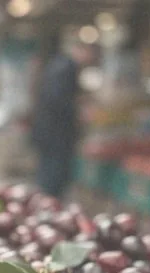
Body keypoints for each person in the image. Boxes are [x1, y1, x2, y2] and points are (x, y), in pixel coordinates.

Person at [31, 41, 95, 199]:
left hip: (49, 131)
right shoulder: (66, 68)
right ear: (82, 50)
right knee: (54, 175)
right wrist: (78, 110)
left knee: (50, 173)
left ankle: (45, 205)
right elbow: (56, 99)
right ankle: (47, 206)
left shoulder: (59, 65)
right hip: (56, 133)